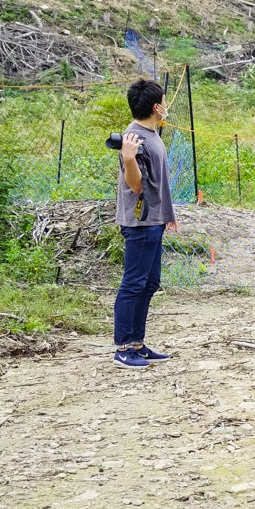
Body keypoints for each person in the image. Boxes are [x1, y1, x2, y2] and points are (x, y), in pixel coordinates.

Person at [114, 78, 176, 370]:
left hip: (154, 220)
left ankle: (137, 344)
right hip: (140, 223)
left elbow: (158, 183)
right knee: (133, 284)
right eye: (163, 101)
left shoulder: (151, 134)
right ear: (155, 107)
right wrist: (128, 159)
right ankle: (123, 348)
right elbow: (136, 186)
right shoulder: (133, 138)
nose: (166, 105)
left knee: (149, 283)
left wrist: (167, 216)